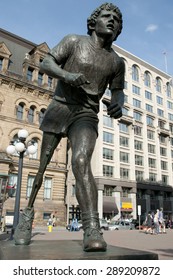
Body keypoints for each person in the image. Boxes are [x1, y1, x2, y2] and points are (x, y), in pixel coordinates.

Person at [14, 2, 125, 251]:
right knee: (41, 167)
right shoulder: (74, 41)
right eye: (106, 16)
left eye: (116, 20)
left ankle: (92, 228)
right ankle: (27, 216)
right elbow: (46, 64)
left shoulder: (117, 62)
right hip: (60, 106)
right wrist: (67, 76)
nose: (111, 21)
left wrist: (118, 105)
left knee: (81, 160)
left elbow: (118, 92)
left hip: (86, 113)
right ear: (93, 22)